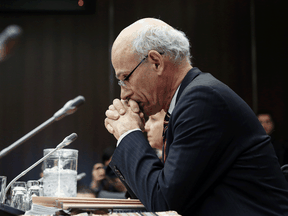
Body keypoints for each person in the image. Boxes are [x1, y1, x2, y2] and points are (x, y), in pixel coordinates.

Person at [104, 18, 288, 215]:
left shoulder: (202, 101)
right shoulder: (189, 99)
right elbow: (161, 193)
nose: (124, 94)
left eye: (125, 79)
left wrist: (128, 133)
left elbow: (164, 202)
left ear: (156, 62)